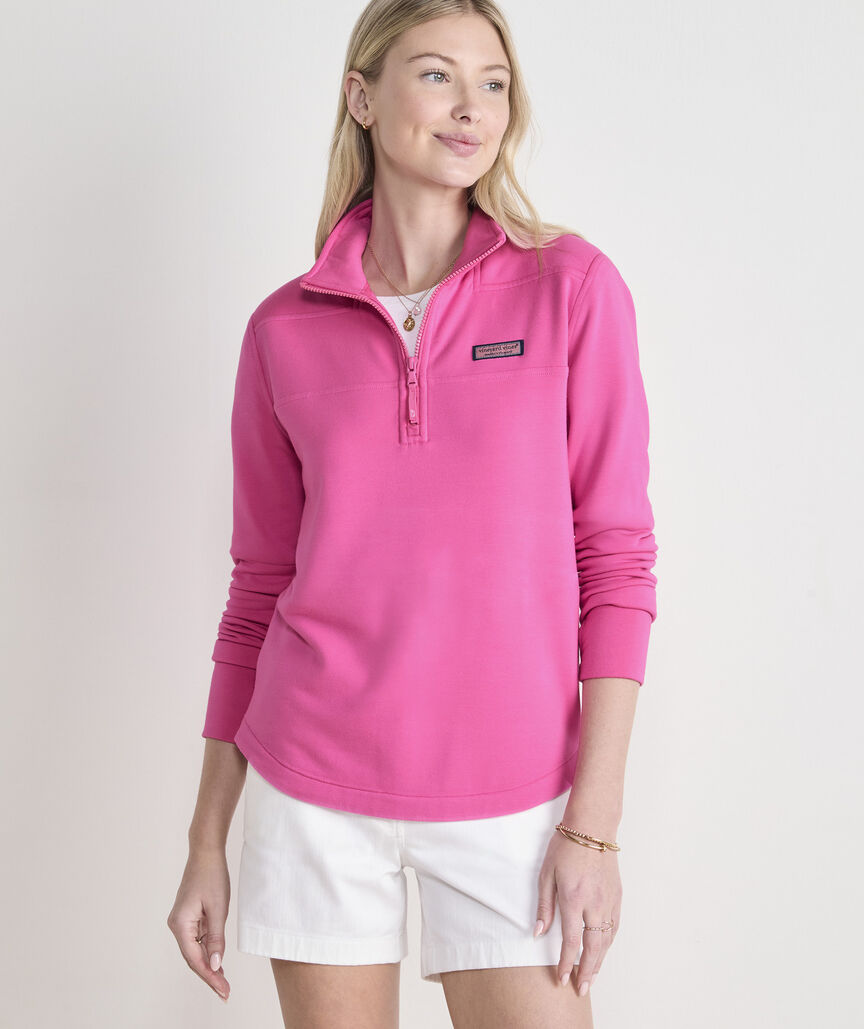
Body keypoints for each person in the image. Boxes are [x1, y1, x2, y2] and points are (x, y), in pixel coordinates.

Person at [167, 2, 658, 1026]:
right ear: (362, 96)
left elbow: (615, 561)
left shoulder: (570, 288)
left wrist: (594, 825)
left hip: (517, 794)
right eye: (436, 75)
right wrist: (207, 838)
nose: (470, 106)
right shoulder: (282, 330)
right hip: (311, 789)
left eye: (493, 82)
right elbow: (257, 592)